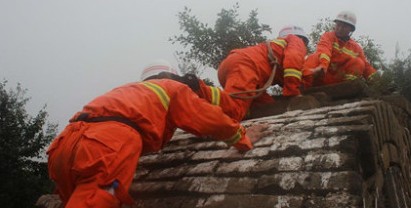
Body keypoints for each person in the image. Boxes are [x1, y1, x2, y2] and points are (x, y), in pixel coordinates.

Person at [47, 60, 269, 208]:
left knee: (85, 197)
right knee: (101, 196)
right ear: (172, 76)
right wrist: (242, 136)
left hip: (64, 146)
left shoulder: (127, 91)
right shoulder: (171, 88)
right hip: (108, 145)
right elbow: (208, 119)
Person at [217, 25, 308, 121]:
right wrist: (293, 91)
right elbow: (293, 61)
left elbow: (283, 76)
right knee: (234, 111)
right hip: (245, 67)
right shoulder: (296, 40)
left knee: (267, 107)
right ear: (302, 38)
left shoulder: (276, 48)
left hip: (236, 67)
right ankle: (204, 115)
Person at [302, 11, 377, 88]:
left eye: (344, 27)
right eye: (338, 25)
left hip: (339, 80)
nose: (340, 29)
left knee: (359, 62)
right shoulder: (328, 36)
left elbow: (367, 68)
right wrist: (323, 67)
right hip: (323, 75)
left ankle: (349, 87)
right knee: (313, 57)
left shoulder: (356, 47)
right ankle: (303, 86)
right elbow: (324, 51)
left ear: (351, 29)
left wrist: (379, 82)